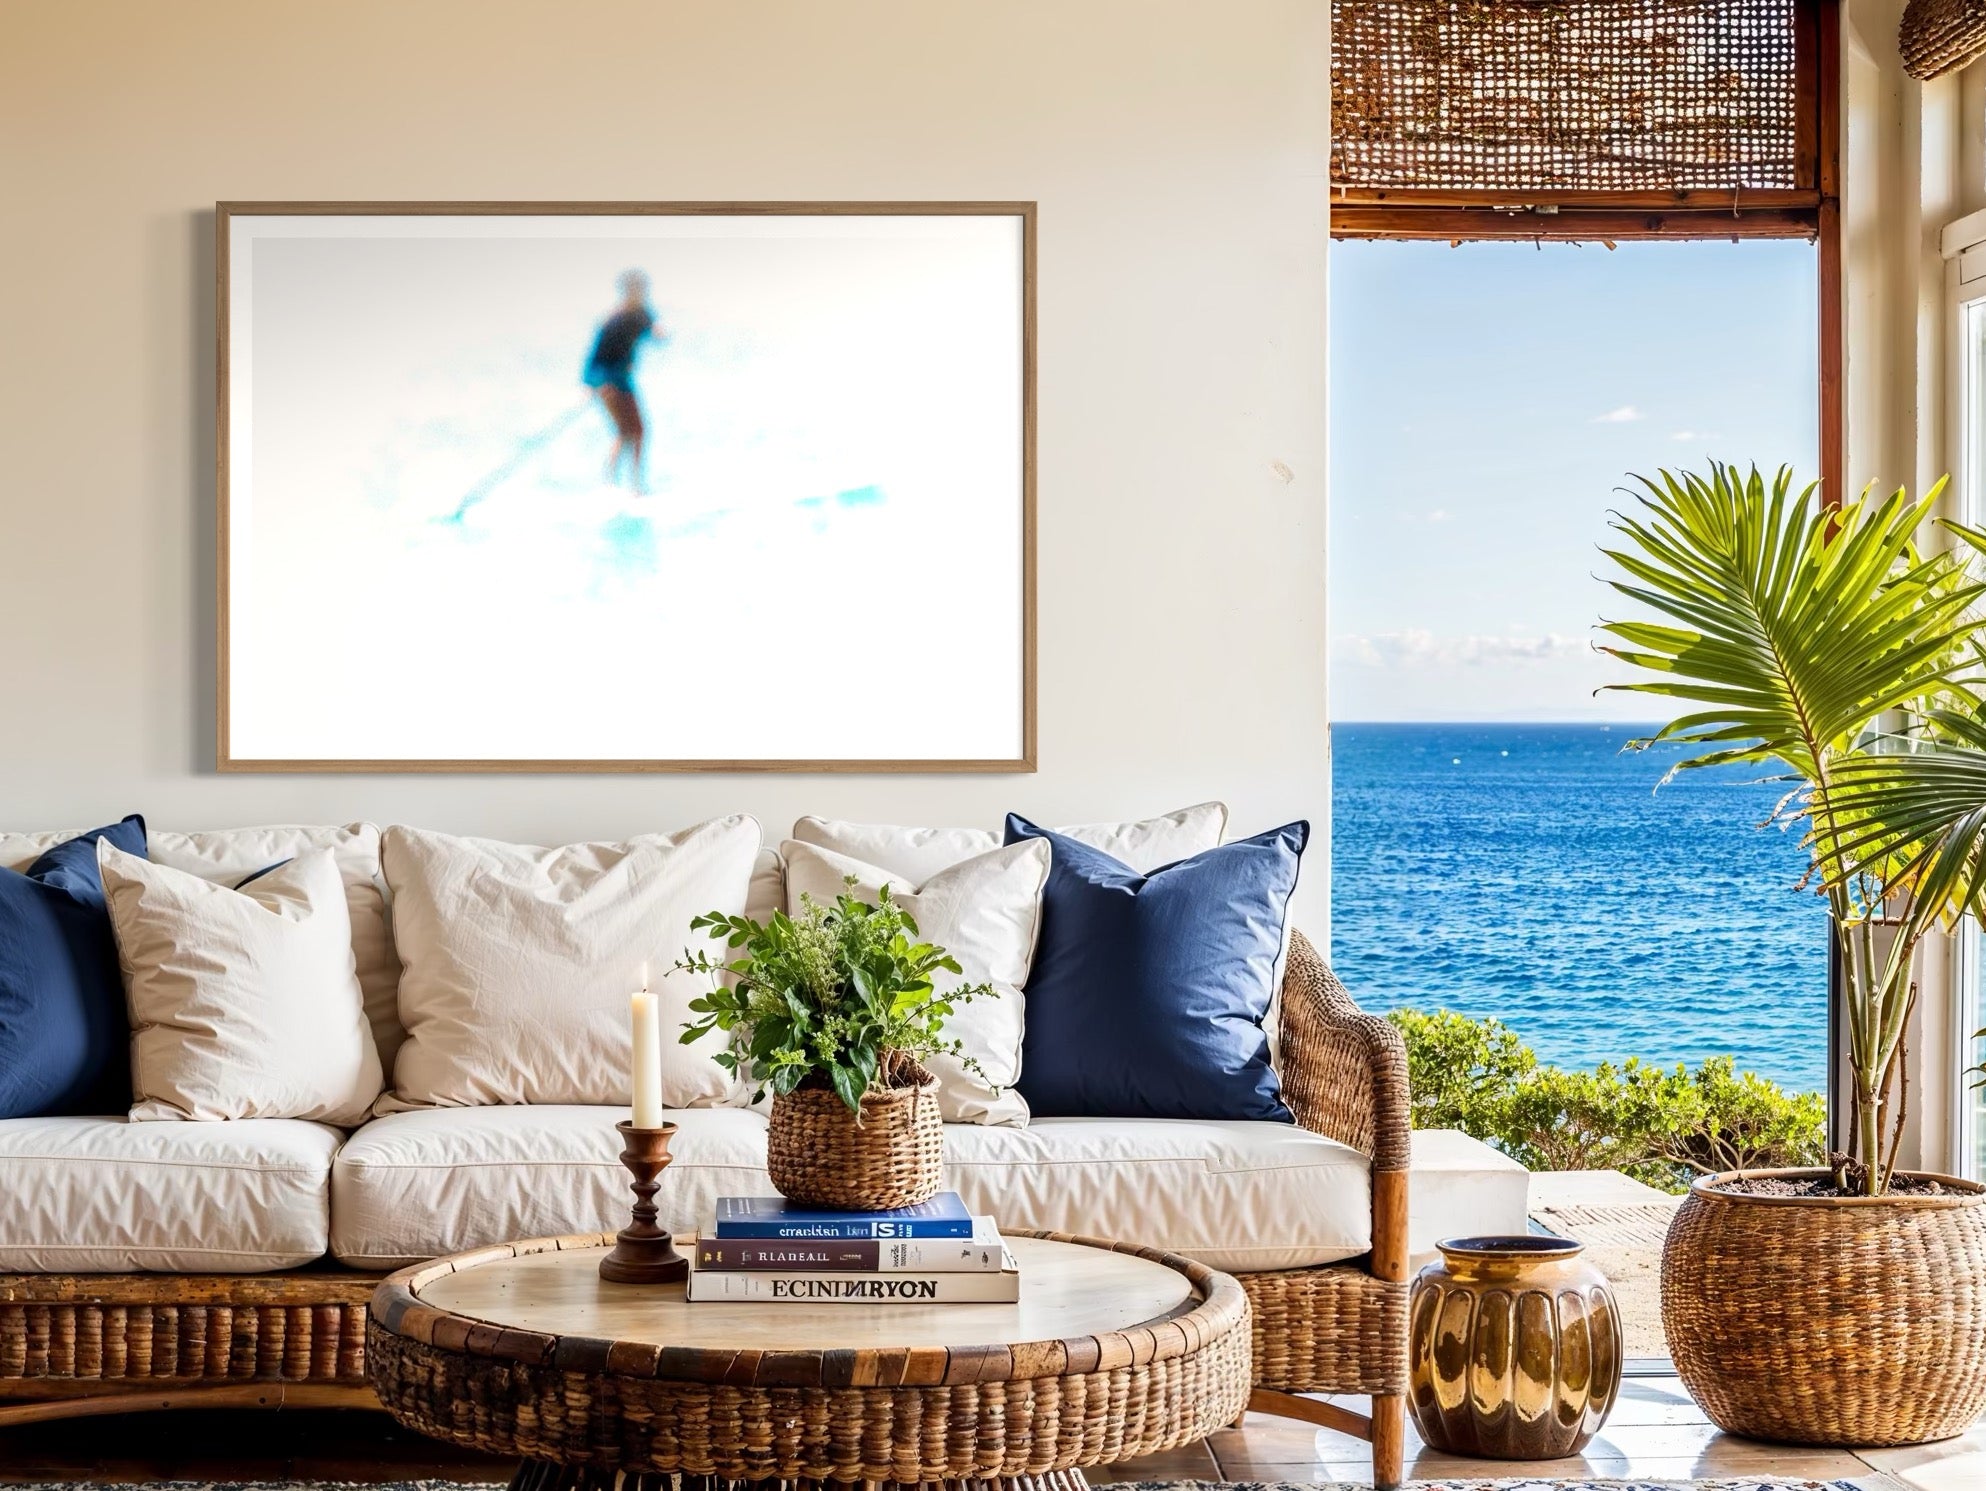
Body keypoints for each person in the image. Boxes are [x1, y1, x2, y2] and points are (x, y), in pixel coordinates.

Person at [584, 269, 666, 490]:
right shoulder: (614, 320)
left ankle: (634, 485)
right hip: (607, 382)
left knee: (637, 431)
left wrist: (659, 333)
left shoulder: (643, 315)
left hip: (624, 380)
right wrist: (595, 384)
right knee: (626, 431)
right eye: (634, 290)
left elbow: (655, 332)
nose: (638, 294)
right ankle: (612, 482)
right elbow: (594, 358)